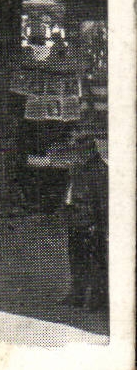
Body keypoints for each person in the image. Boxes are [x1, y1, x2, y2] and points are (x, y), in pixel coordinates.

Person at [60, 129, 108, 311]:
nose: (74, 150)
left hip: (90, 223)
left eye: (78, 145)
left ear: (90, 147)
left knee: (94, 261)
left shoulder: (98, 170)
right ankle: (77, 294)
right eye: (73, 145)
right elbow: (70, 192)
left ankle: (96, 299)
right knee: (76, 258)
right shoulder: (78, 167)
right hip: (76, 219)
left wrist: (98, 224)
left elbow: (102, 201)